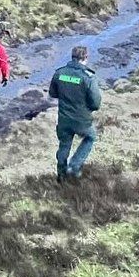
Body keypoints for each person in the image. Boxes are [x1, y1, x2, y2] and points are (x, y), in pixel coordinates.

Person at [49, 46, 102, 181]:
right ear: (85, 58)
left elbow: (52, 93)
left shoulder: (59, 73)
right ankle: (74, 165)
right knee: (90, 137)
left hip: (64, 119)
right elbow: (95, 103)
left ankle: (61, 175)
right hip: (81, 119)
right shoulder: (88, 77)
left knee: (64, 145)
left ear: (72, 57)